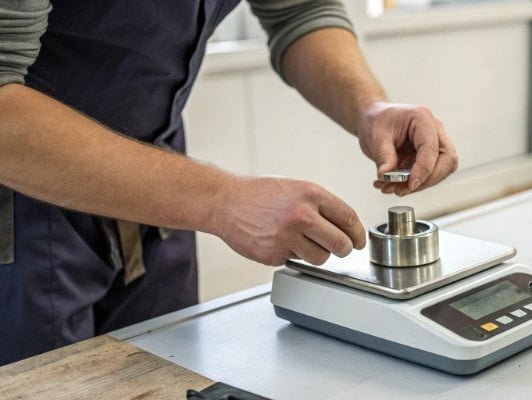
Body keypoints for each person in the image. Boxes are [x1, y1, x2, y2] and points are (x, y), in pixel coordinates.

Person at [0, 0, 458, 365]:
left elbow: (300, 10)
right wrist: (220, 200)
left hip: (162, 193)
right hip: (23, 211)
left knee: (164, 369)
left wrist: (369, 109)